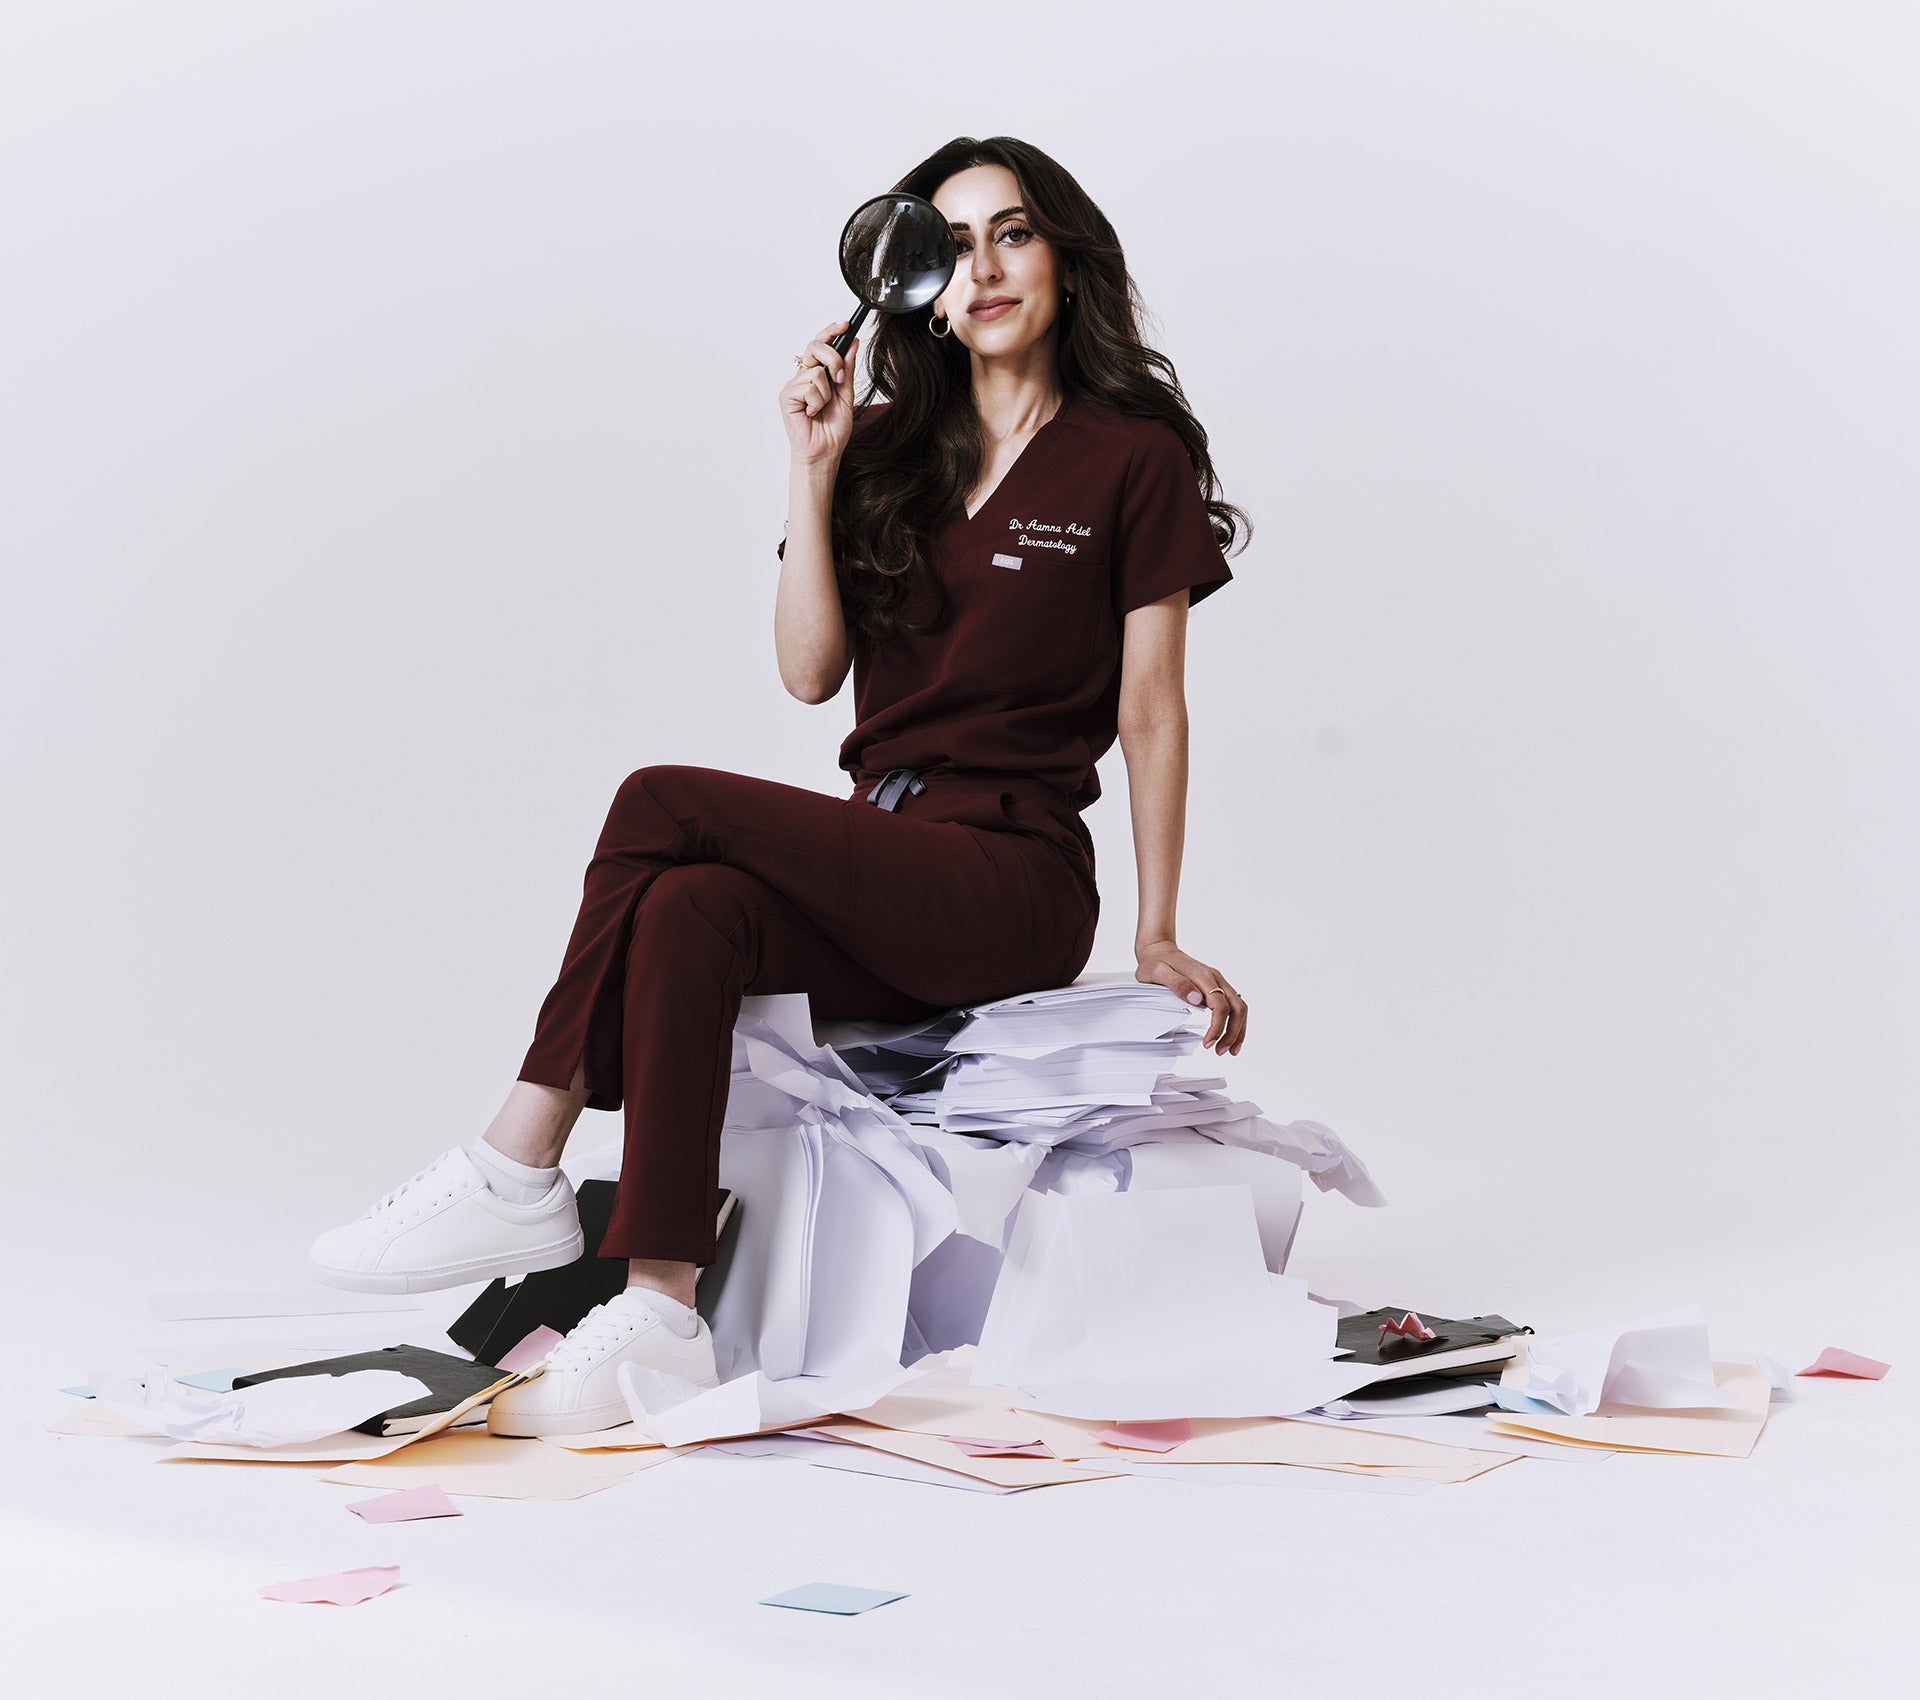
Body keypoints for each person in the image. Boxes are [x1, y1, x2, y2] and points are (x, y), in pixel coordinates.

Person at [307, 135, 1252, 1436]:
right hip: (884, 861)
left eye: (1013, 233)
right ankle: (660, 1304)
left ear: (1065, 259)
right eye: (953, 243)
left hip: (1011, 877)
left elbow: (1153, 709)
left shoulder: (1128, 458)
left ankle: (519, 1156)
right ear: (916, 282)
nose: (983, 267)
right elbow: (810, 676)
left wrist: (1156, 929)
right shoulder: (886, 449)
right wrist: (811, 473)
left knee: (660, 799)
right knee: (692, 904)